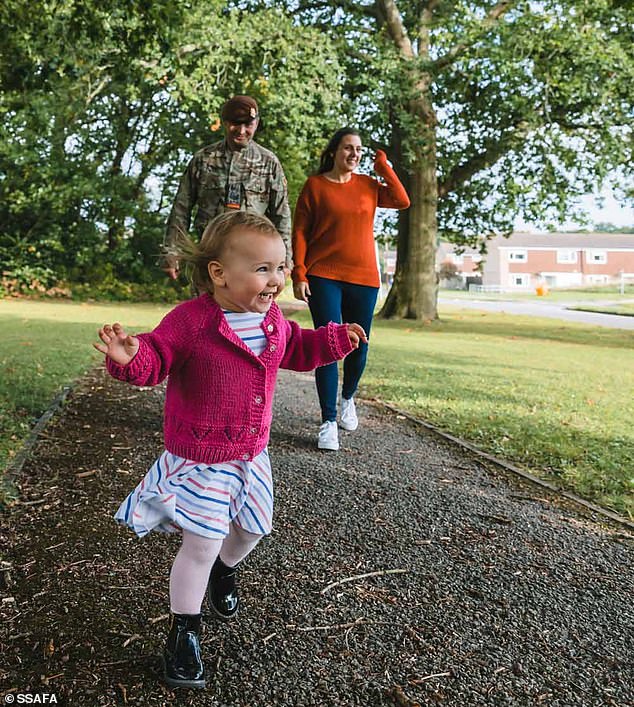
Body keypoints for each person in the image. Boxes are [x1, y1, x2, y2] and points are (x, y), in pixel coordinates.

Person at [94, 211, 366, 690]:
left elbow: (296, 349)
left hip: (250, 456)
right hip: (200, 457)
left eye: (281, 268)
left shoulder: (273, 319)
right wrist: (131, 356)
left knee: (251, 530)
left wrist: (330, 342)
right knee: (199, 543)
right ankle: (184, 632)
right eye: (263, 269)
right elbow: (157, 355)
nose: (277, 280)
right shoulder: (193, 321)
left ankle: (225, 571)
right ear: (219, 273)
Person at [291, 128, 410, 451]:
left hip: (364, 277)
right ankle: (328, 421)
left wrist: (383, 167)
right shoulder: (315, 186)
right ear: (334, 152)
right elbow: (300, 231)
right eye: (348, 148)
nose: (354, 154)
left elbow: (401, 200)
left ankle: (347, 399)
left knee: (360, 346)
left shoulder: (369, 186)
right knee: (328, 345)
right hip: (323, 275)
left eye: (358, 149)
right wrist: (298, 272)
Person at [163, 95, 292, 278]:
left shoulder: (269, 163)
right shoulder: (203, 159)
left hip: (254, 259)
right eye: (235, 124)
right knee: (205, 307)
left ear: (256, 123)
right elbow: (181, 209)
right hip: (210, 255)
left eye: (248, 125)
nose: (241, 131)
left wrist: (284, 260)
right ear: (224, 123)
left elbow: (281, 214)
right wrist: (172, 252)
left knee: (250, 307)